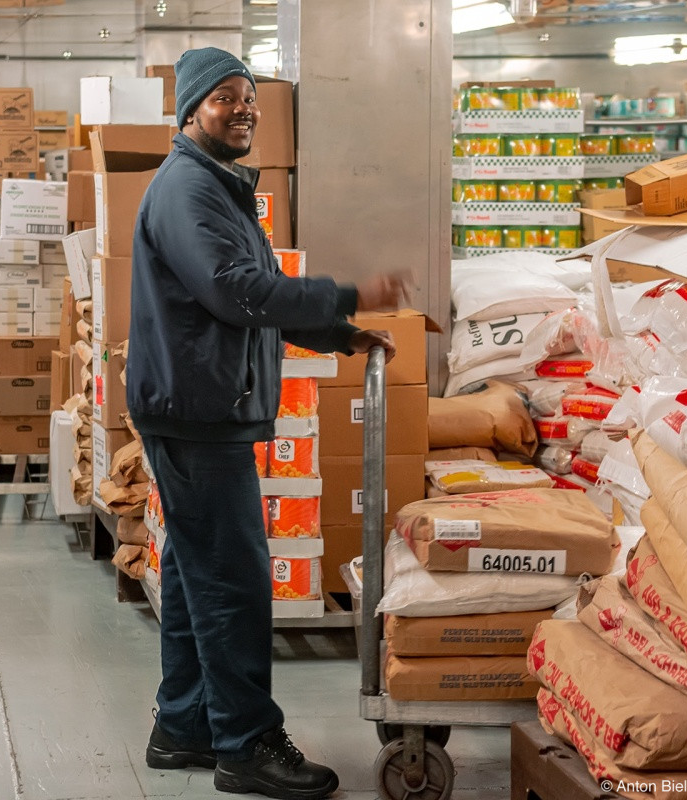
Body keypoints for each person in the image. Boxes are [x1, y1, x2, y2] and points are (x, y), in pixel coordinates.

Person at [126, 46, 412, 800]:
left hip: (199, 404)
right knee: (234, 583)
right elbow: (232, 290)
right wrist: (347, 293)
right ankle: (247, 744)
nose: (243, 108)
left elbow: (260, 295)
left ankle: (184, 725)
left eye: (249, 97)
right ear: (191, 112)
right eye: (224, 98)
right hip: (197, 411)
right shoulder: (189, 188)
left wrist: (336, 333)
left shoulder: (219, 189)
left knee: (197, 577)